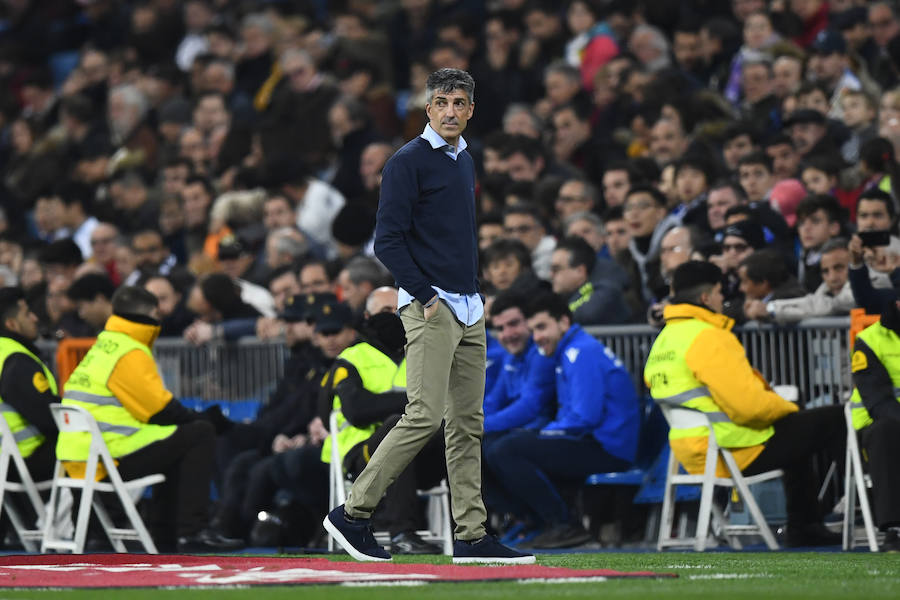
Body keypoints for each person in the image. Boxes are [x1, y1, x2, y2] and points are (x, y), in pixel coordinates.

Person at [323, 68, 533, 564]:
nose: (452, 110)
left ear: (472, 110)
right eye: (443, 101)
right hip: (431, 303)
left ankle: (471, 535)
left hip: (468, 304)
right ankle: (353, 513)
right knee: (423, 415)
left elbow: (451, 238)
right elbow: (387, 240)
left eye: (461, 102)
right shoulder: (407, 162)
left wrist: (472, 295)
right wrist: (425, 295)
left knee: (466, 423)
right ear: (428, 108)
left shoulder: (463, 160)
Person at [644, 261, 844, 547]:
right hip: (733, 450)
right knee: (836, 418)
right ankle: (869, 509)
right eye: (717, 293)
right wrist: (786, 406)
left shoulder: (664, 340)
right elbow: (748, 407)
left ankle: (806, 526)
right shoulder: (709, 337)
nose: (721, 299)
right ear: (705, 298)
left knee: (797, 435)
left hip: (690, 452)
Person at [56, 286, 241, 553]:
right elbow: (160, 410)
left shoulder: (104, 345)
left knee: (175, 442)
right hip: (109, 453)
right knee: (199, 432)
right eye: (157, 313)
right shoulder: (130, 350)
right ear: (149, 314)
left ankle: (165, 535)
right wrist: (204, 418)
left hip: (78, 454)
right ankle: (192, 533)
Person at [486, 292, 639, 549]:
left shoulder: (580, 353)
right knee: (499, 446)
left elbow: (583, 417)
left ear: (564, 323)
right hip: (593, 441)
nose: (537, 337)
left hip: (607, 448)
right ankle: (539, 521)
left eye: (542, 327)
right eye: (534, 330)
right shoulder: (569, 351)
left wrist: (545, 433)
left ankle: (564, 525)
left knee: (508, 449)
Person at [848, 296, 900, 552]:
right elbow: (879, 402)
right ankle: (895, 528)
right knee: (888, 430)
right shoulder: (869, 341)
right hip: (876, 427)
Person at [0, 287, 59, 491]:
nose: (35, 318)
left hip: (9, 459)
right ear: (11, 324)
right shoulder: (16, 360)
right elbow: (48, 416)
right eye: (27, 313)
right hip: (23, 458)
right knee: (91, 447)